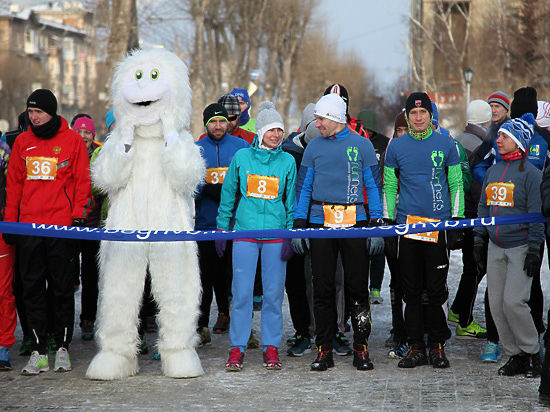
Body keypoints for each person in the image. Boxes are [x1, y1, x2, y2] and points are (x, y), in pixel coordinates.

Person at [4, 89, 92, 375]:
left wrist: (79, 215)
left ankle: (62, 347)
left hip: (61, 226)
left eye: (38, 112)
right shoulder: (23, 142)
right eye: (30, 112)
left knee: (62, 288)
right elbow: (14, 186)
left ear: (51, 112)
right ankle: (39, 350)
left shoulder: (72, 141)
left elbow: (81, 180)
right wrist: (11, 222)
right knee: (31, 289)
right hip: (29, 226)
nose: (34, 117)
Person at [294, 93, 383, 372]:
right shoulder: (313, 148)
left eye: (320, 119)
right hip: (320, 222)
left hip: (354, 222)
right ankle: (324, 350)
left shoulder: (363, 145)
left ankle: (361, 347)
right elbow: (304, 187)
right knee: (322, 288)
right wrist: (299, 224)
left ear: (333, 118)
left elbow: (372, 185)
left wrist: (376, 224)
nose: (316, 124)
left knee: (357, 287)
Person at [383, 92, 464, 369]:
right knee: (411, 290)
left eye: (423, 113)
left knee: (436, 288)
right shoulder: (396, 146)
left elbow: (455, 183)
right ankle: (416, 346)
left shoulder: (446, 143)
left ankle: (438, 345)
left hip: (437, 226)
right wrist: (388, 220)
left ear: (431, 115)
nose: (418, 118)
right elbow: (390, 186)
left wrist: (456, 220)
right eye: (413, 114)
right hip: (407, 227)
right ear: (407, 116)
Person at [218, 101, 296, 371]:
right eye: (271, 130)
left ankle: (271, 346)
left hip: (275, 235)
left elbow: (290, 201)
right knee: (241, 294)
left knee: (274, 295)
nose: (276, 135)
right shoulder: (242, 158)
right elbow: (228, 195)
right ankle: (237, 347)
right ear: (260, 132)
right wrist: (221, 228)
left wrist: (288, 234)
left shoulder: (287, 161)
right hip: (245, 233)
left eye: (279, 130)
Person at [473, 113, 543, 378]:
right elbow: (483, 206)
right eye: (499, 135)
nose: (498, 140)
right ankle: (515, 355)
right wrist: (479, 239)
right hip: (495, 246)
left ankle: (533, 352)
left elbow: (537, 214)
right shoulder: (493, 169)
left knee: (514, 302)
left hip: (520, 247)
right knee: (495, 304)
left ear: (518, 141)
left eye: (504, 136)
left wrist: (535, 248)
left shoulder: (532, 174)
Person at [195, 103, 249, 345]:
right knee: (205, 279)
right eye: (213, 122)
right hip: (206, 225)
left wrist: (231, 190)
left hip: (237, 225)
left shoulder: (241, 147)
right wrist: (205, 188)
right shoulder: (195, 150)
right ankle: (201, 326)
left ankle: (245, 330)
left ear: (228, 123)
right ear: (206, 125)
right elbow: (186, 187)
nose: (218, 126)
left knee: (238, 280)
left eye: (221, 122)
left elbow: (252, 179)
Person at [448, 100, 492, 340]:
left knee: (471, 267)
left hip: (459, 213)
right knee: (475, 266)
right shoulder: (480, 146)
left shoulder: (459, 140)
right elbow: (477, 188)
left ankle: (457, 310)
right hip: (472, 216)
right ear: (486, 121)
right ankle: (464, 318)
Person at [71, 116, 102, 341]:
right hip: (69, 223)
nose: (83, 137)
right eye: (79, 132)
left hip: (93, 224)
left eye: (87, 133)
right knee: (70, 275)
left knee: (91, 274)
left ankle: (88, 318)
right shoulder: (67, 152)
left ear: (93, 135)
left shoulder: (99, 156)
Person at [357, 108, 390, 304]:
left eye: (370, 130)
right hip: (360, 203)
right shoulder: (356, 142)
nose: (367, 133)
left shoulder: (384, 144)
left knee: (379, 248)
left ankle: (375, 288)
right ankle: (361, 286)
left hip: (377, 200)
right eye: (364, 129)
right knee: (360, 248)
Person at [0, 139, 14, 370]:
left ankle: (3, 345)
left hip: (3, 227)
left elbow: (14, 185)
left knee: (3, 290)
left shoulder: (4, 150)